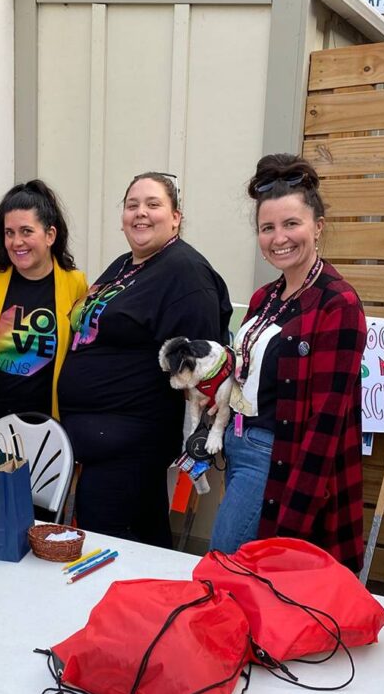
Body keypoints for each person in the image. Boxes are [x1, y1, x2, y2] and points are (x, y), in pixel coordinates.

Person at [57, 171, 231, 547]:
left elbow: (201, 366)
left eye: (153, 205)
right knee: (144, 542)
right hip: (99, 440)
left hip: (131, 443)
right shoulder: (124, 264)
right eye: (132, 205)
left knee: (104, 547)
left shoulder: (186, 272)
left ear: (176, 217)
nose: (140, 213)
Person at [210, 154, 366, 571]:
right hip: (239, 447)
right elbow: (246, 374)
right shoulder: (265, 298)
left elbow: (327, 424)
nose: (279, 237)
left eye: (291, 224)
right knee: (244, 580)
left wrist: (293, 522)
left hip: (276, 461)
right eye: (267, 228)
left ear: (317, 225)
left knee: (222, 569)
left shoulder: (339, 304)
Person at [0, 180, 87, 449]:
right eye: (9, 232)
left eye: (26, 231)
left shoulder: (75, 285)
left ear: (50, 235)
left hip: (41, 434)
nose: (17, 242)